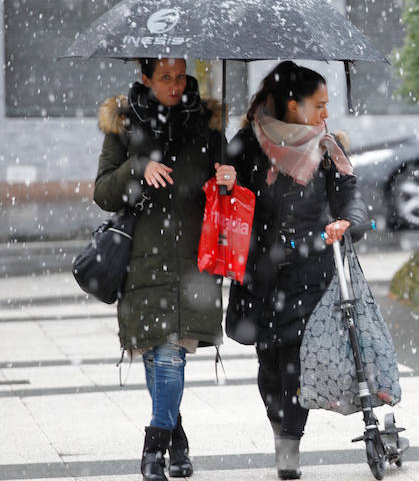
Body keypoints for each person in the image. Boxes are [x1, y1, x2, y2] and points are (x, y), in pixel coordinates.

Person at [94, 57, 236, 481]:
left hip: (196, 259)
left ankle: (153, 448)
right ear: (145, 78)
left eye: (180, 76)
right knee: (158, 356)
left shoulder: (206, 124)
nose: (175, 85)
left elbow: (224, 188)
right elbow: (102, 192)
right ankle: (176, 439)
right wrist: (138, 167)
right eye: (165, 78)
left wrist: (228, 179)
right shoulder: (123, 122)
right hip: (142, 261)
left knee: (172, 355)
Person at [224, 61, 367, 480]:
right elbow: (221, 204)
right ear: (292, 104)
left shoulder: (328, 147)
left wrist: (350, 222)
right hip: (259, 272)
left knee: (295, 363)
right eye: (318, 105)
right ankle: (279, 427)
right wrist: (224, 185)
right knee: (268, 364)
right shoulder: (246, 144)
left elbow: (350, 197)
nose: (326, 114)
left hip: (312, 269)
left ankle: (290, 443)